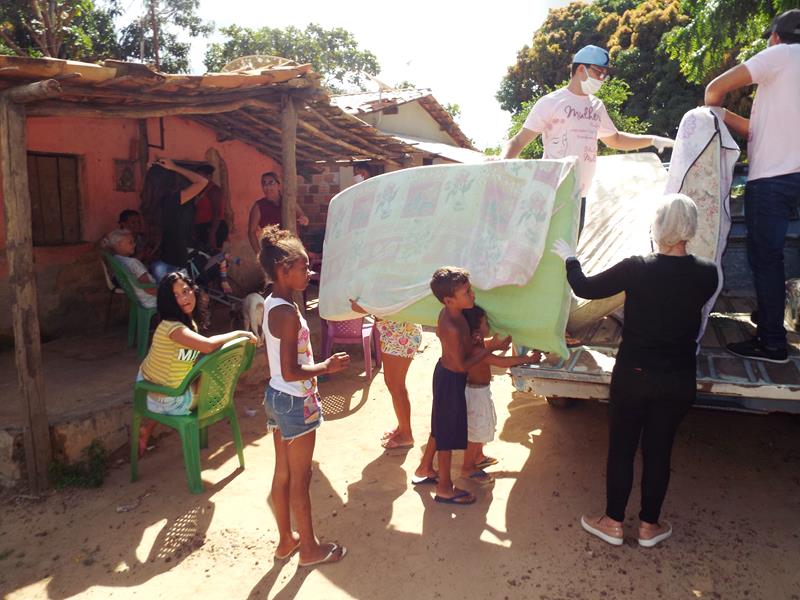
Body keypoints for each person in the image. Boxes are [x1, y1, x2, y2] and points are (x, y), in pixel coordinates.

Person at [551, 194, 718, 547]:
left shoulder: (636, 267)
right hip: (678, 378)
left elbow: (584, 287)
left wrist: (569, 259)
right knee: (660, 452)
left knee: (622, 450)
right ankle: (648, 527)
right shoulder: (708, 273)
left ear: (657, 226)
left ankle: (612, 522)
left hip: (635, 375)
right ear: (691, 228)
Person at [704, 9, 800, 364]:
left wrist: (708, 112)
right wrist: (724, 117)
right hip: (793, 176)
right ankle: (770, 314)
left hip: (773, 179)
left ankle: (773, 342)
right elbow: (759, 129)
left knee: (766, 259)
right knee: (774, 258)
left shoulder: (780, 55)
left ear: (776, 37)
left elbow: (715, 88)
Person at [501, 44, 675, 234]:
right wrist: (499, 169)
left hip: (580, 195)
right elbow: (518, 141)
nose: (602, 79)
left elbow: (615, 139)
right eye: (599, 72)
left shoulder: (596, 106)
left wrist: (652, 140)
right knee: (547, 254)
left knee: (568, 255)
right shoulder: (551, 103)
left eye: (605, 74)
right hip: (552, 192)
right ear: (581, 69)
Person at [259, 224, 349, 566]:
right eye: (304, 267)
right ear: (284, 270)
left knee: (283, 473)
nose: (309, 272)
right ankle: (309, 548)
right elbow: (292, 371)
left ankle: (286, 540)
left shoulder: (271, 303)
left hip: (277, 397)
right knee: (301, 478)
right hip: (296, 399)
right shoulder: (289, 315)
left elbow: (280, 373)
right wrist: (327, 367)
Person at [412, 267, 508, 505]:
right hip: (451, 379)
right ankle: (444, 488)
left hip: (448, 375)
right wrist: (490, 348)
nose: (472, 295)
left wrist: (479, 342)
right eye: (467, 292)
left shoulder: (455, 314)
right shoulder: (452, 326)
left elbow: (464, 350)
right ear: (449, 300)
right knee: (447, 436)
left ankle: (426, 469)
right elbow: (463, 365)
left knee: (442, 428)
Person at [136, 272, 257, 455]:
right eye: (175, 295)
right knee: (213, 384)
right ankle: (151, 427)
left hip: (161, 385)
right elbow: (208, 346)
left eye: (185, 291)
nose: (184, 298)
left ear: (193, 290)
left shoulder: (188, 323)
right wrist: (239, 333)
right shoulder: (171, 328)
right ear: (168, 301)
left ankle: (146, 429)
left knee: (200, 375)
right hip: (163, 395)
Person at [460, 305, 539, 484]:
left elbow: (488, 348)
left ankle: (478, 457)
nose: (489, 325)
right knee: (476, 432)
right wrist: (529, 359)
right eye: (486, 323)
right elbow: (503, 362)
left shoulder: (475, 345)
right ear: (476, 332)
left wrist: (498, 345)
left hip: (478, 392)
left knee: (479, 428)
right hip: (476, 395)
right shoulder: (477, 351)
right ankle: (467, 468)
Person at [349, 300, 423, 450]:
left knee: (397, 386)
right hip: (395, 332)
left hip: (401, 333)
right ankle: (403, 428)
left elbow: (359, 307)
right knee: (392, 383)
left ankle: (407, 435)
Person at [141, 158, 208, 282]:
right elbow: (202, 181)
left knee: (164, 298)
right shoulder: (172, 200)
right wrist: (174, 167)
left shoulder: (148, 202)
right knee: (179, 298)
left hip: (158, 260)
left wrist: (151, 172)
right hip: (174, 259)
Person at [248, 172, 310, 254]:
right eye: (264, 183)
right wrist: (260, 254)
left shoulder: (288, 201)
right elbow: (251, 232)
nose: (267, 187)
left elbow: (303, 217)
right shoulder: (259, 206)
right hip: (273, 250)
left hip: (294, 247)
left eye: (271, 183)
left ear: (278, 185)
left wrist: (304, 221)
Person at [104, 228, 156, 309]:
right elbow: (149, 288)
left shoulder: (116, 260)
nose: (134, 245)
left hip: (137, 299)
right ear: (119, 244)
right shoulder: (133, 263)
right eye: (130, 242)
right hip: (150, 300)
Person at [192, 165, 229, 251]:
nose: (197, 178)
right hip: (202, 227)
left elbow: (217, 212)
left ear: (209, 176)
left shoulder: (213, 190)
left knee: (213, 255)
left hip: (213, 226)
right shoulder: (199, 189)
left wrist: (212, 234)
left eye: (200, 175)